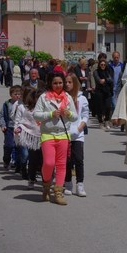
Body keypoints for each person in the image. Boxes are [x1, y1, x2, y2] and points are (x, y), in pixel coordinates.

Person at [33, 71, 78, 205]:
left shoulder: (68, 97)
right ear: (50, 84)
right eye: (55, 83)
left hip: (63, 134)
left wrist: (68, 113)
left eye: (60, 83)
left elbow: (75, 117)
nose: (58, 85)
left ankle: (58, 192)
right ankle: (46, 185)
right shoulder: (44, 97)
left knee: (61, 164)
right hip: (48, 134)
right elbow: (36, 115)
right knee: (48, 163)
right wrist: (51, 114)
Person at [64, 73, 89, 197]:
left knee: (79, 159)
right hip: (64, 133)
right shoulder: (62, 97)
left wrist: (80, 128)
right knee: (67, 160)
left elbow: (85, 115)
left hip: (78, 134)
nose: (67, 84)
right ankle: (67, 183)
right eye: (66, 82)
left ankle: (80, 184)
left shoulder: (81, 98)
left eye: (70, 82)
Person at [13, 87, 43, 188]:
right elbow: (23, 123)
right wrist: (19, 129)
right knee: (33, 160)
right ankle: (31, 178)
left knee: (45, 161)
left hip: (46, 137)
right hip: (32, 138)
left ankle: (46, 180)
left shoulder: (45, 108)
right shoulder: (26, 109)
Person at [0, 85, 22, 169]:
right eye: (15, 94)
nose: (18, 96)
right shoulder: (7, 104)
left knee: (18, 146)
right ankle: (6, 160)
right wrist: (3, 125)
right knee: (9, 145)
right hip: (9, 128)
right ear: (11, 95)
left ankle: (16, 163)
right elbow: (1, 116)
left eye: (19, 94)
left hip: (19, 129)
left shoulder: (22, 104)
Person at [93, 59, 113, 130]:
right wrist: (105, 80)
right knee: (100, 108)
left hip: (107, 92)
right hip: (99, 91)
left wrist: (105, 80)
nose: (103, 66)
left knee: (108, 106)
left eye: (104, 65)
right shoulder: (96, 72)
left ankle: (107, 120)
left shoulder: (108, 71)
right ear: (99, 65)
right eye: (101, 64)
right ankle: (100, 122)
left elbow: (111, 79)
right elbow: (98, 80)